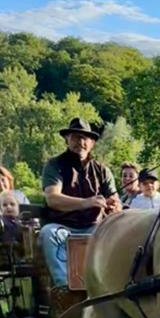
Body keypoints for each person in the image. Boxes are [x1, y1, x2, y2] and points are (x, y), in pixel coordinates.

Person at [40, 117, 122, 287]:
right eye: (76, 137)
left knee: (120, 233)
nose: (81, 141)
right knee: (49, 233)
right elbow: (52, 198)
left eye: (85, 138)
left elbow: (117, 202)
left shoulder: (102, 170)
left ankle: (114, 285)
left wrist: (114, 206)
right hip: (64, 228)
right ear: (67, 139)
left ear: (92, 143)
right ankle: (65, 288)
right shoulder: (55, 165)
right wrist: (87, 202)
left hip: (96, 227)